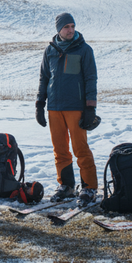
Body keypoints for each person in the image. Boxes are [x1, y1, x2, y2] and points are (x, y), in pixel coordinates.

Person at [35, 12, 99, 204]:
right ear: (59, 30)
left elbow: (91, 79)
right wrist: (40, 104)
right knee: (60, 149)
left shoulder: (84, 50)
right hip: (54, 107)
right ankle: (66, 186)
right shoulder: (50, 50)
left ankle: (89, 188)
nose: (70, 30)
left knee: (80, 148)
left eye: (72, 26)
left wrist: (90, 108)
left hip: (76, 107)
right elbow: (44, 78)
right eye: (66, 27)